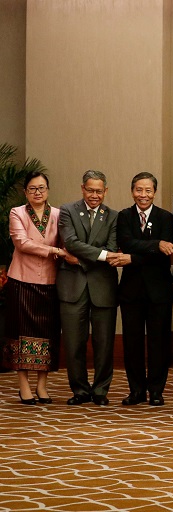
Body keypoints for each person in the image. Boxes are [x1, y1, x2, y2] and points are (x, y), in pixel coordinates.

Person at [4, 172, 74, 404]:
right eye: (33, 189)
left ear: (48, 190)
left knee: (48, 335)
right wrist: (54, 251)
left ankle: (42, 386)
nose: (38, 193)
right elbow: (21, 243)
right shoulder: (17, 212)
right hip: (21, 282)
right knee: (20, 336)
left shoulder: (58, 214)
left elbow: (66, 241)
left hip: (50, 283)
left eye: (42, 188)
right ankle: (24, 386)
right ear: (25, 192)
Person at [114, 172, 173, 407]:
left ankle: (156, 390)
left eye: (148, 190)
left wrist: (133, 258)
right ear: (132, 191)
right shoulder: (123, 216)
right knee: (132, 343)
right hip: (131, 291)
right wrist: (155, 245)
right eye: (139, 190)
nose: (143, 195)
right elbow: (127, 242)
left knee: (158, 342)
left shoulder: (165, 217)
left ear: (155, 192)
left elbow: (164, 256)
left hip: (159, 290)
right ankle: (136, 391)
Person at [57, 170, 121, 406]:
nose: (95, 195)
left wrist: (80, 258)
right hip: (72, 286)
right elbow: (70, 242)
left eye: (99, 191)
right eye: (90, 190)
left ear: (106, 191)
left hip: (103, 286)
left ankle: (101, 391)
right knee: (74, 342)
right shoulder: (67, 211)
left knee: (104, 343)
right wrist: (101, 255)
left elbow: (113, 246)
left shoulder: (113, 216)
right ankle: (80, 390)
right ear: (82, 188)